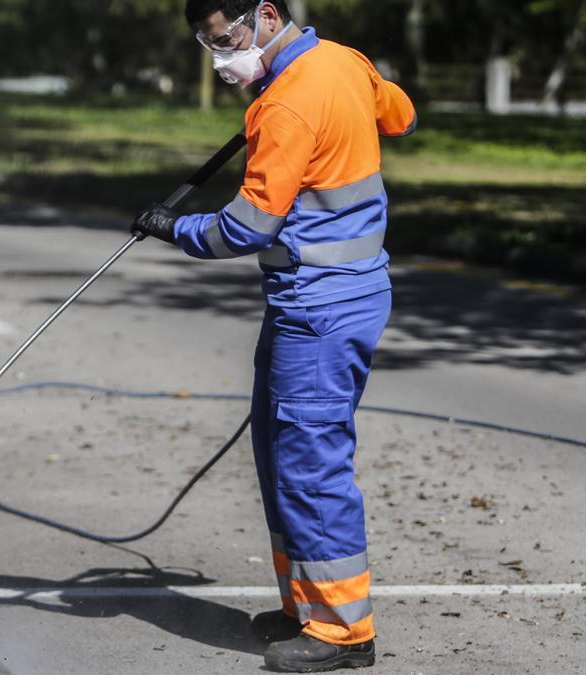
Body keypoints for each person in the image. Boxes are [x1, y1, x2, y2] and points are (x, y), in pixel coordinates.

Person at [129, 1, 416, 671]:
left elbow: (247, 227)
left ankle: (343, 632)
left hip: (321, 306)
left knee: (309, 466)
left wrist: (176, 229)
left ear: (263, 15)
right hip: (333, 295)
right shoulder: (343, 62)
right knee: (279, 453)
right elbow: (401, 116)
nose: (220, 58)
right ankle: (303, 606)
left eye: (224, 40)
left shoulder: (286, 105)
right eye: (208, 45)